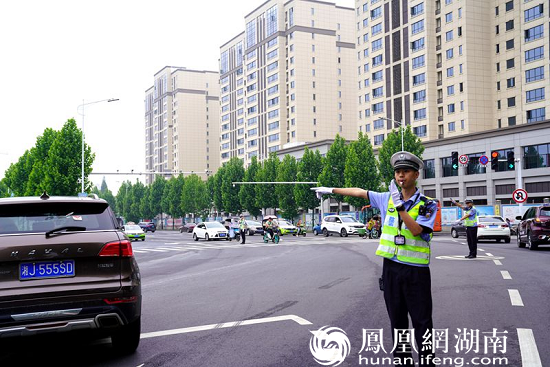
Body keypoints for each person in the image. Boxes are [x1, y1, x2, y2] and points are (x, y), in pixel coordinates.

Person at [312, 151, 438, 366]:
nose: (401, 176)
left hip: (416, 272)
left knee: (422, 321)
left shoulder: (428, 204)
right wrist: (331, 189)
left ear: (416, 175)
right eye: (398, 172)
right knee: (397, 321)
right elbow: (359, 192)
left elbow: (417, 230)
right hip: (391, 269)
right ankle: (403, 361)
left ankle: (427, 362)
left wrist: (400, 208)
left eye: (406, 171)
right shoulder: (386, 197)